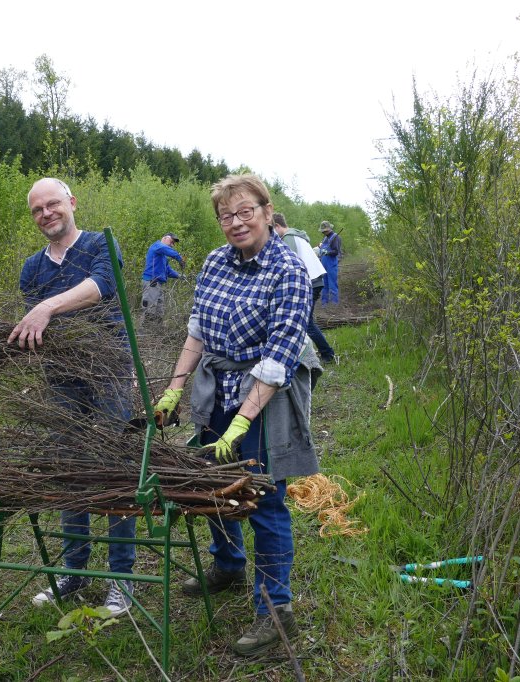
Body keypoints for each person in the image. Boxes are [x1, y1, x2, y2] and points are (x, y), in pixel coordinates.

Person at [151, 174, 319, 657]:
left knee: (264, 496)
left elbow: (279, 356)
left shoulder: (289, 270)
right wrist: (174, 388)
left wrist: (243, 423)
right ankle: (228, 565)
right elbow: (198, 330)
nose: (237, 222)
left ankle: (276, 613)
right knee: (212, 483)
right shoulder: (214, 261)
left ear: (266, 211)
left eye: (246, 211)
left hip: (268, 390)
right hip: (218, 386)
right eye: (227, 215)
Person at [8, 177, 137, 617]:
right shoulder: (32, 269)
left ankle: (121, 577)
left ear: (72, 203)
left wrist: (47, 307)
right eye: (37, 209)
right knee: (71, 470)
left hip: (111, 372)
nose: (46, 213)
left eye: (53, 204)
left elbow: (102, 286)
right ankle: (74, 572)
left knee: (117, 468)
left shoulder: (102, 244)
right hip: (61, 379)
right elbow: (37, 331)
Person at [272, 213, 336, 367]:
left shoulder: (288, 239)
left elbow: (290, 264)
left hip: (310, 281)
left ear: (277, 226)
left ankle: (327, 354)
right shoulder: (297, 235)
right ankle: (310, 354)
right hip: (315, 280)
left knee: (306, 323)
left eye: (271, 230)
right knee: (305, 322)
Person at [140, 232, 184, 322]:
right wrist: (180, 258)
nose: (172, 245)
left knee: (159, 312)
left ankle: (156, 330)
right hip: (151, 282)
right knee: (149, 310)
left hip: (158, 284)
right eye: (171, 242)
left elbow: (168, 270)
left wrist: (179, 276)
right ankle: (144, 330)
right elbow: (166, 249)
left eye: (173, 243)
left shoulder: (162, 256)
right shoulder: (157, 246)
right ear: (164, 238)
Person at [316, 220, 342, 304]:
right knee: (324, 284)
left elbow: (336, 252)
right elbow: (323, 248)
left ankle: (334, 303)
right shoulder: (325, 238)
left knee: (332, 284)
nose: (323, 232)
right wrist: (320, 248)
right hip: (323, 264)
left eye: (324, 231)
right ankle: (324, 303)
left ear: (329, 229)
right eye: (323, 231)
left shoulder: (335, 237)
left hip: (331, 264)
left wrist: (328, 252)